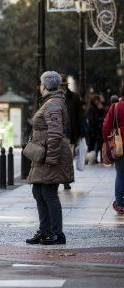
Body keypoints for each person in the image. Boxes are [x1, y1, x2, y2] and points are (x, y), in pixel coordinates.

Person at [25, 71, 74, 246]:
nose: (40, 86)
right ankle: (44, 230)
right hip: (42, 155)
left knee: (48, 193)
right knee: (38, 192)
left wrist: (51, 158)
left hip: (49, 155)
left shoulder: (53, 104)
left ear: (45, 85)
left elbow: (55, 133)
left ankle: (56, 233)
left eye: (41, 83)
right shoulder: (49, 102)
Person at [102, 96, 124, 215]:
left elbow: (106, 127)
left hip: (120, 145)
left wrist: (107, 141)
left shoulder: (115, 107)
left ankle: (120, 203)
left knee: (120, 174)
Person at [61, 76, 83, 190]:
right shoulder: (52, 97)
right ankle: (56, 180)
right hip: (56, 134)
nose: (61, 87)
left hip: (69, 133)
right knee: (56, 158)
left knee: (67, 159)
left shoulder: (74, 97)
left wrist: (80, 134)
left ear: (66, 85)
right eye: (60, 85)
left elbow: (79, 117)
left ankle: (66, 181)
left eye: (63, 85)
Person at [85, 94, 105, 165]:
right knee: (92, 145)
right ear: (93, 101)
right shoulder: (90, 109)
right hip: (92, 131)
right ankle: (90, 159)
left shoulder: (99, 108)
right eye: (96, 100)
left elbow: (103, 117)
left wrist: (101, 109)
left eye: (98, 100)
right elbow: (91, 120)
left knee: (98, 145)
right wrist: (98, 120)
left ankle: (95, 159)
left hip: (98, 130)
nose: (97, 101)